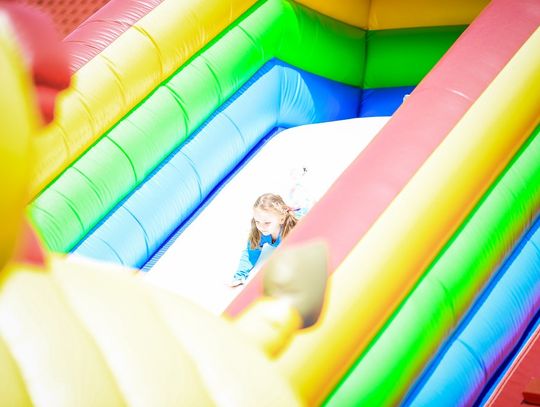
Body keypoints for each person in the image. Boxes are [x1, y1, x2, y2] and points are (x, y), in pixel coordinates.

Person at [229, 193, 300, 287]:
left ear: (282, 219)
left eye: (267, 223)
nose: (261, 227)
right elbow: (250, 254)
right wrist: (239, 276)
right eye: (257, 221)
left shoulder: (292, 231)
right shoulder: (259, 232)